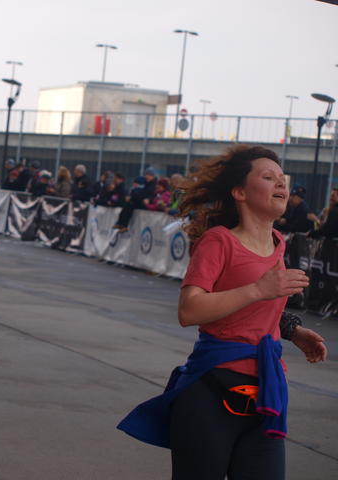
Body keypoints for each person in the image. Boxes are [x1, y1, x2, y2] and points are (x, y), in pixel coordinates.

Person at [118, 145, 327, 480]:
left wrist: (291, 330)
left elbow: (254, 308)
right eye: (268, 177)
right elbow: (189, 310)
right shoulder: (219, 241)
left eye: (282, 178)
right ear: (240, 192)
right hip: (212, 392)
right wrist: (258, 289)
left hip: (266, 393)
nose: (281, 184)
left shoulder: (278, 242)